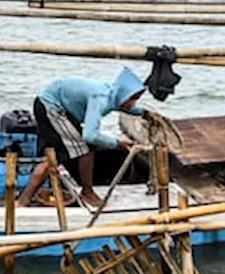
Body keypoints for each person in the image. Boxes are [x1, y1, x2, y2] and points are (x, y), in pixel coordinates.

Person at [15, 67, 157, 209]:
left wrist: (144, 113)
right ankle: (86, 192)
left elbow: (123, 107)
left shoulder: (111, 94)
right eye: (132, 99)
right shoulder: (100, 98)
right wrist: (117, 143)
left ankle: (24, 200)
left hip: (53, 105)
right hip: (52, 108)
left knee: (57, 157)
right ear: (123, 94)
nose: (133, 104)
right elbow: (90, 135)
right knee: (84, 150)